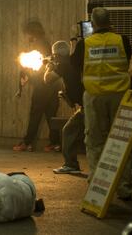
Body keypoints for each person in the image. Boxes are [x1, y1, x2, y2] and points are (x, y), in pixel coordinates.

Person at [71, 7, 132, 198]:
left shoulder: (85, 44)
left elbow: (75, 65)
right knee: (121, 140)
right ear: (110, 22)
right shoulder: (122, 40)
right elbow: (127, 59)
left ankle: (98, 187)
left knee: (95, 141)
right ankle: (124, 188)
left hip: (95, 97)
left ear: (93, 23)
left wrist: (75, 42)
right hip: (121, 96)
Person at [13, 20, 61, 152]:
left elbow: (33, 67)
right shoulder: (46, 44)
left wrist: (22, 81)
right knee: (51, 115)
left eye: (27, 34)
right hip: (53, 85)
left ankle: (28, 142)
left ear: (32, 33)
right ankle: (55, 144)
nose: (26, 37)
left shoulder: (38, 46)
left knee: (35, 114)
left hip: (42, 86)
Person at [44, 41, 85, 174]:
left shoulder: (63, 65)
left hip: (87, 105)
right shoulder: (74, 61)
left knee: (68, 131)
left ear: (57, 55)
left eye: (55, 55)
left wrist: (49, 67)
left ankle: (71, 165)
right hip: (87, 103)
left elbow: (47, 79)